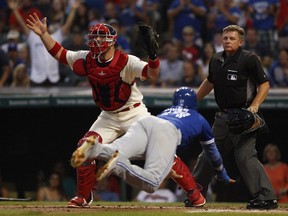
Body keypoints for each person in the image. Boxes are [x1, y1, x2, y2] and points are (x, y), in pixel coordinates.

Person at [26, 13, 162, 208]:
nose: (97, 40)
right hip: (108, 116)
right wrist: (43, 34)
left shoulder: (127, 60)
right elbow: (61, 54)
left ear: (112, 41)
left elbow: (152, 74)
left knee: (161, 149)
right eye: (95, 36)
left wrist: (154, 57)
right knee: (84, 148)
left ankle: (194, 194)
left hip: (134, 112)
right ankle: (84, 196)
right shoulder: (87, 58)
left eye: (102, 36)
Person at [70, 87, 235, 208]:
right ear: (194, 103)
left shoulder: (168, 110)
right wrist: (222, 173)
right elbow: (212, 152)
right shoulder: (199, 119)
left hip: (145, 122)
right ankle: (120, 166)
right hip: (166, 133)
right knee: (151, 182)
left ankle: (97, 149)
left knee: (118, 149)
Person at [192, 24, 278, 210]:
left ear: (241, 41)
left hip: (244, 115)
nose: (228, 41)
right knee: (208, 154)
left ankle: (266, 197)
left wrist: (255, 106)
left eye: (232, 38)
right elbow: (210, 82)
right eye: (225, 38)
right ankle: (195, 193)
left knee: (245, 156)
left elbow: (264, 85)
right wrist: (193, 100)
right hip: (222, 117)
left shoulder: (249, 59)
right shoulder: (215, 59)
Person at [8, 0, 80, 86]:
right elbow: (22, 25)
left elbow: (67, 25)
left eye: (47, 26)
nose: (45, 28)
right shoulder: (33, 37)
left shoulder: (55, 37)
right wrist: (15, 10)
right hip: (36, 78)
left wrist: (73, 9)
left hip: (53, 78)